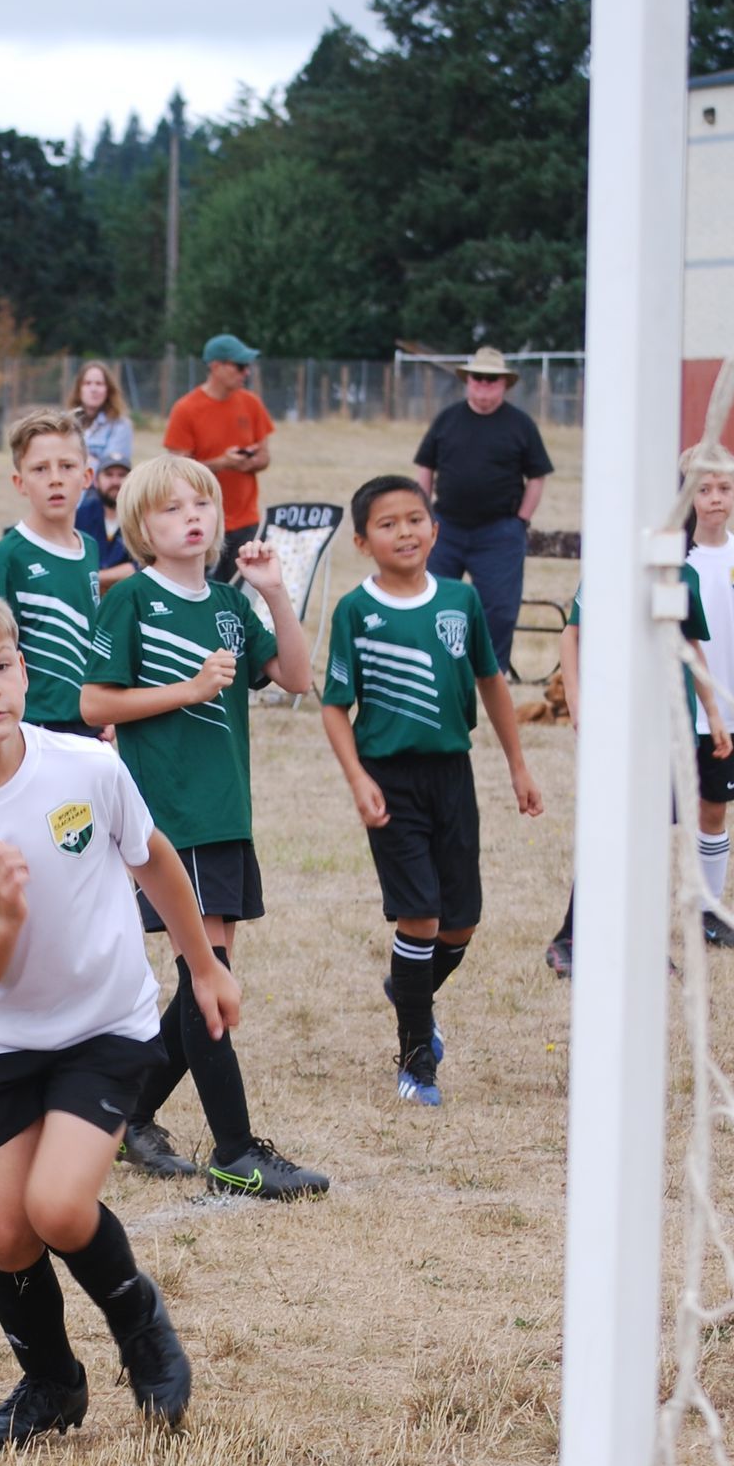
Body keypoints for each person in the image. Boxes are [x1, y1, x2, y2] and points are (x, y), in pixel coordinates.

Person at [0, 587, 237, 1450]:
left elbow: (151, 860)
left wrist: (202, 965)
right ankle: (51, 1384)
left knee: (58, 1208)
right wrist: (2, 918)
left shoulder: (86, 768)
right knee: (5, 1232)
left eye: (2, 666)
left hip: (106, 1027)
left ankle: (139, 1326)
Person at [80, 453, 328, 1199]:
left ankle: (128, 1111)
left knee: (203, 981)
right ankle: (233, 1150)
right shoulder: (132, 600)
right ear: (140, 529)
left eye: (202, 505)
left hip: (225, 812)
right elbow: (95, 704)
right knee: (204, 973)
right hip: (171, 815)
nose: (191, 517)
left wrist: (275, 594)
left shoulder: (227, 601)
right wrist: (186, 689)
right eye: (170, 509)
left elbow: (294, 678)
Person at [321, 474, 544, 1107]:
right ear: (364, 542)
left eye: (414, 519)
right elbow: (336, 706)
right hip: (390, 781)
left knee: (461, 924)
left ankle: (408, 986)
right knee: (418, 916)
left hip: (454, 775)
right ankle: (417, 1058)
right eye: (387, 524)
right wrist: (358, 779)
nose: (404, 532)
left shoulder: (458, 601)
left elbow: (492, 682)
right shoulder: (354, 610)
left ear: (435, 529)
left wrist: (518, 766)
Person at [543, 560, 731, 979]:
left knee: (651, 835)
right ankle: (570, 939)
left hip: (668, 726)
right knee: (610, 829)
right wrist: (576, 700)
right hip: (616, 723)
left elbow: (691, 645)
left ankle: (645, 943)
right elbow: (572, 635)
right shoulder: (610, 562)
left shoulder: (685, 575)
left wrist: (713, 713)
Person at [412, 347, 554, 676]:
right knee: (434, 599)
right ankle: (436, 668)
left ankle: (492, 673)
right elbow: (425, 468)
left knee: (499, 608)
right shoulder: (447, 419)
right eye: (478, 379)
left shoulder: (521, 425)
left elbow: (537, 477)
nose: (484, 386)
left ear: (504, 385)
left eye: (492, 380)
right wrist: (423, 514)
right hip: (445, 527)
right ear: (468, 381)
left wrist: (521, 520)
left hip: (499, 532)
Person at [682, 449, 734, 952]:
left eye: (724, 489)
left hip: (724, 714)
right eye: (704, 489)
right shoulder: (676, 558)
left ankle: (710, 913)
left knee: (714, 811)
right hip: (673, 711)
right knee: (662, 812)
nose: (715, 499)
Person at [0, 409, 102, 735]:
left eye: (67, 466)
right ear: (20, 482)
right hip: (34, 726)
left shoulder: (89, 548)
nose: (55, 478)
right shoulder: (6, 557)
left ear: (87, 477)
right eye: (40, 469)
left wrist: (107, 708)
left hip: (90, 719)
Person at [163, 335, 275, 582]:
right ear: (216, 366)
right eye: (239, 366)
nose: (246, 372)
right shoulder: (186, 410)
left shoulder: (252, 404)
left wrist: (250, 461)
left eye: (247, 366)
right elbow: (176, 471)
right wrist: (221, 463)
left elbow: (265, 456)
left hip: (246, 521)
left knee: (242, 597)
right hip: (200, 521)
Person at [75, 452, 136, 585]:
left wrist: (93, 577)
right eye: (109, 475)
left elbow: (138, 567)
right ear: (95, 481)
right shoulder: (81, 514)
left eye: (122, 475)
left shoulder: (140, 518)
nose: (115, 481)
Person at [68, 360, 134, 477]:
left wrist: (73, 458)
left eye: (99, 384)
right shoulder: (66, 423)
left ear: (108, 390)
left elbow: (111, 471)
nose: (93, 389)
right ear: (79, 390)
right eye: (87, 383)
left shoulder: (120, 425)